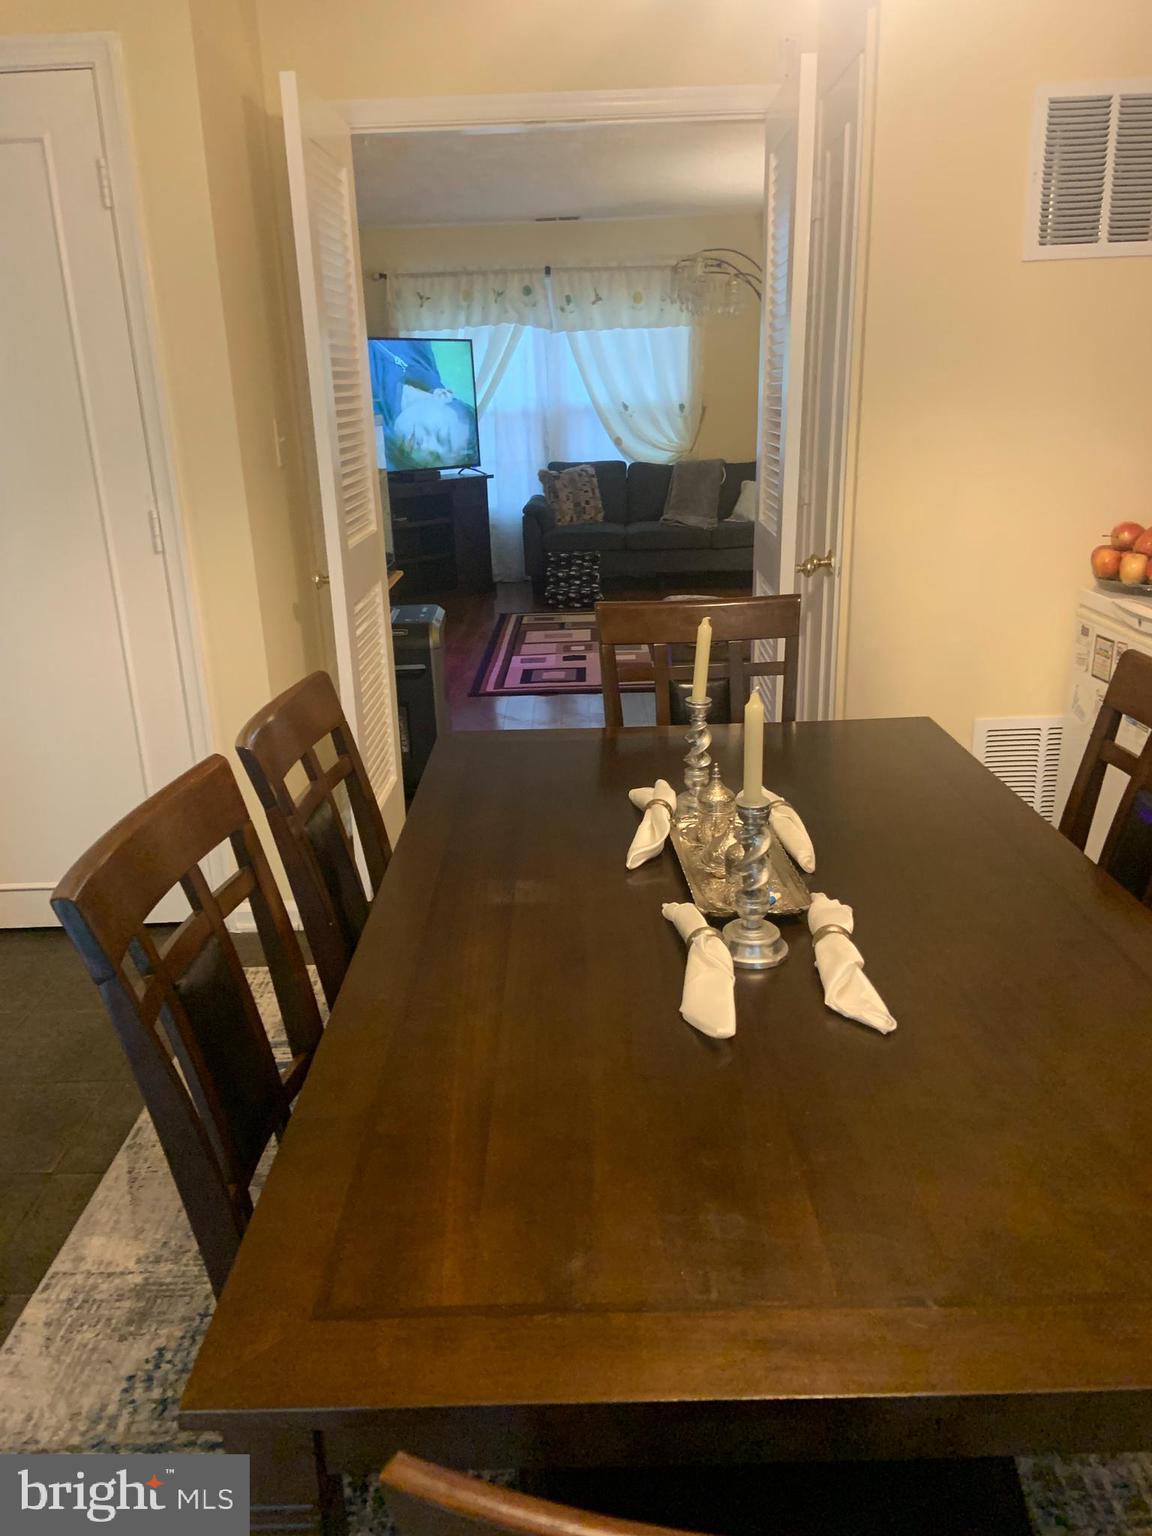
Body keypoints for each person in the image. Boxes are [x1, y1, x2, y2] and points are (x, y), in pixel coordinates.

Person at [369, 339, 477, 470]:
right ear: (443, 395)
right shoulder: (420, 352)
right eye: (440, 435)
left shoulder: (377, 455)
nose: (425, 448)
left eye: (434, 458)